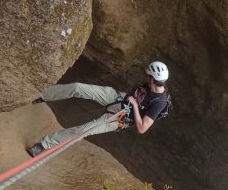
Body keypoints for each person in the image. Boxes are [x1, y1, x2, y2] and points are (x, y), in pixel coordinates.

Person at [27, 61, 170, 157]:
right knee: (78, 87)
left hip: (121, 118)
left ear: (153, 79)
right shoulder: (150, 85)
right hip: (118, 98)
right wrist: (130, 100)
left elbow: (142, 128)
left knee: (83, 130)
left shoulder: (159, 102)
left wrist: (134, 106)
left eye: (148, 76)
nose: (146, 78)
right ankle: (42, 96)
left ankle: (44, 145)